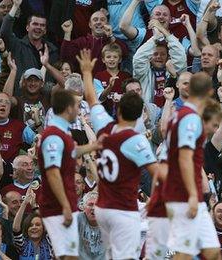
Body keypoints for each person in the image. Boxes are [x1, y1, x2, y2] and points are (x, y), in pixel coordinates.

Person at [79, 47, 160, 259]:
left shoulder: (104, 125)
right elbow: (159, 174)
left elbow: (91, 98)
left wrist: (87, 72)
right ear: (140, 115)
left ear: (119, 110)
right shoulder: (136, 140)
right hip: (123, 211)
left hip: (103, 208)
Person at [161, 72, 222, 260]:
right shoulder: (190, 119)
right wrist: (193, 195)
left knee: (212, 252)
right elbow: (184, 158)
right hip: (184, 195)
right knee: (184, 254)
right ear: (210, 91)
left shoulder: (177, 116)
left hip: (186, 192)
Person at [37, 88, 99, 260]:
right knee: (68, 256)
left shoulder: (61, 133)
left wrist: (94, 146)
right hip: (57, 205)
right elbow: (52, 173)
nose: (80, 110)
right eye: (78, 106)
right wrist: (64, 206)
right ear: (69, 108)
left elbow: (71, 152)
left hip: (63, 203)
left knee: (70, 255)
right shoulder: (53, 136)